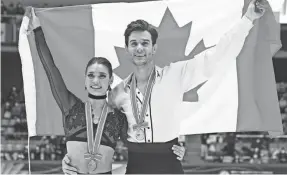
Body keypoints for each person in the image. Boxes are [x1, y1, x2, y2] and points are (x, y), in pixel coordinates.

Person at [63, 0, 268, 173]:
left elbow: (217, 57)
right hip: (136, 165)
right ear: (127, 49)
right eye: (134, 43)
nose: (139, 48)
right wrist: (70, 159)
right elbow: (99, 130)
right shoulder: (117, 94)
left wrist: (248, 20)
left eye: (145, 42)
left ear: (154, 47)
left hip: (169, 162)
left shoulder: (176, 75)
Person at [28, 8, 185, 174]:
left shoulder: (118, 118)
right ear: (85, 79)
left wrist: (172, 150)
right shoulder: (70, 108)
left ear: (110, 80)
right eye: (91, 75)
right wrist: (37, 31)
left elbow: (144, 145)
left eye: (102, 75)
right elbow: (50, 70)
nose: (96, 81)